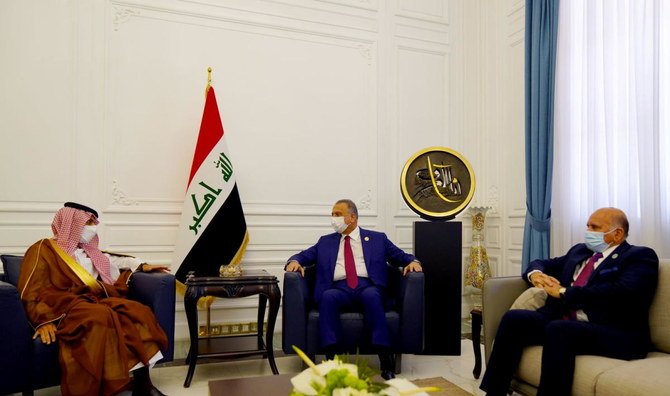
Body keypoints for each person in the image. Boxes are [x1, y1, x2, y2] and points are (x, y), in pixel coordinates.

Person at [480, 207, 659, 396]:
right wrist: (536, 275)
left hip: (612, 331)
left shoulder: (639, 256)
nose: (588, 231)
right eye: (587, 226)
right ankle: (494, 392)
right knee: (514, 319)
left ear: (617, 234)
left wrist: (565, 292)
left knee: (559, 330)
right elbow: (542, 263)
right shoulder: (580, 251)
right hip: (564, 319)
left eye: (595, 227)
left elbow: (622, 293)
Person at [18, 202, 170, 396]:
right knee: (99, 316)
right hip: (63, 305)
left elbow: (117, 261)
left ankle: (143, 385)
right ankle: (102, 387)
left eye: (93, 221)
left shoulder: (90, 252)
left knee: (138, 311)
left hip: (93, 300)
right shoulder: (43, 249)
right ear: (71, 223)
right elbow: (31, 289)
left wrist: (142, 265)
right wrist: (42, 321)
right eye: (88, 221)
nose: (93, 226)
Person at [285, 199, 422, 380]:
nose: (333, 219)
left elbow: (400, 256)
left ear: (352, 217)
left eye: (337, 214)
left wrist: (413, 262)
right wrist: (294, 261)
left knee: (372, 296)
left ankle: (385, 359)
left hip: (368, 286)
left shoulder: (377, 238)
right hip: (338, 288)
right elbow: (304, 255)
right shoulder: (325, 241)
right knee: (328, 297)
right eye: (332, 214)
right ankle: (331, 362)